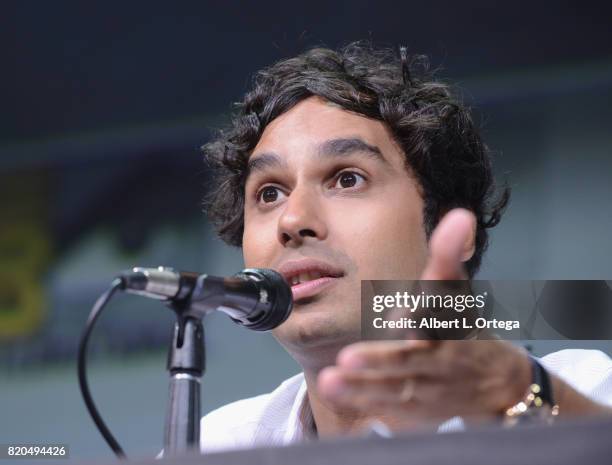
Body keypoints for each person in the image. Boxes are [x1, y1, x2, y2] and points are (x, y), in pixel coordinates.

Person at [199, 42, 612, 452]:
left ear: (452, 225)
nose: (292, 221)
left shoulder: (586, 389)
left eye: (347, 179)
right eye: (270, 193)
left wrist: (522, 399)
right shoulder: (215, 444)